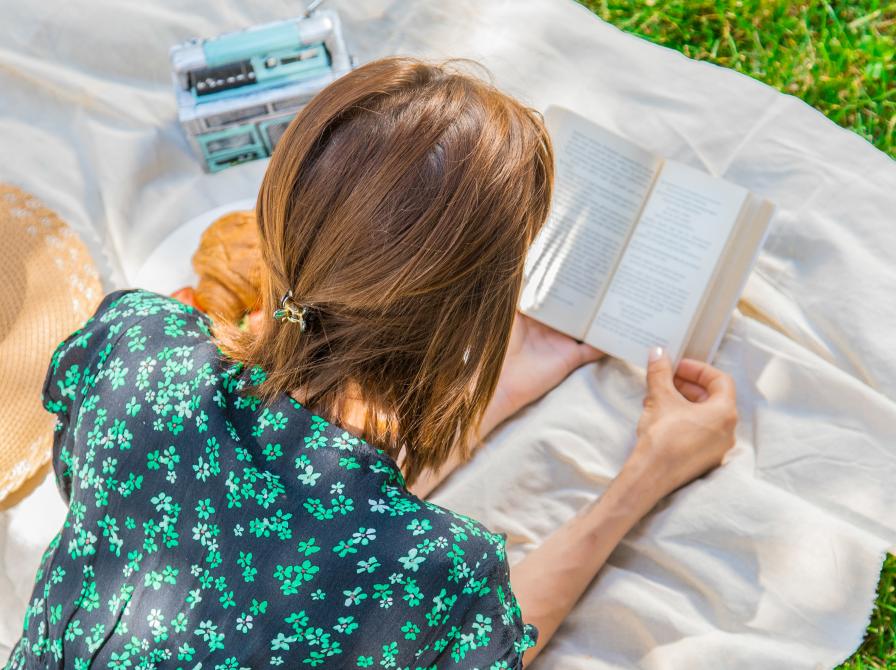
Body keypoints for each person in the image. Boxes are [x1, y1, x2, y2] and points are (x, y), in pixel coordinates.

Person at [5, 56, 737, 669]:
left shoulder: (136, 344)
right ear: (472, 323)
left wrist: (505, 387)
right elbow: (488, 649)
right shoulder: (436, 573)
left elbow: (260, 504)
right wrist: (649, 474)